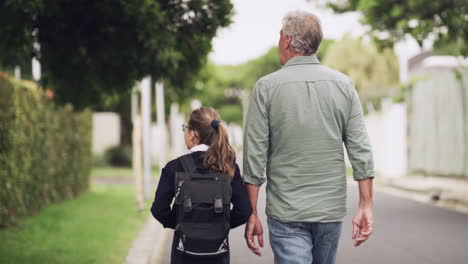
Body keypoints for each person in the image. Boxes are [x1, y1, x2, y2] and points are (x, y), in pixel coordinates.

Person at [242, 11, 375, 264]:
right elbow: (361, 150)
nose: (278, 42)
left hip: (286, 212)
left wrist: (251, 213)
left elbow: (254, 156)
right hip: (329, 211)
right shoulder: (344, 85)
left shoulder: (266, 88)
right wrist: (365, 205)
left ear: (288, 41)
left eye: (280, 36)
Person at [151, 106, 252, 264]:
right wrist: (220, 224)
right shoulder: (228, 167)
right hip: (218, 253)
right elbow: (244, 211)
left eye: (185, 128)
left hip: (183, 252)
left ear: (193, 134)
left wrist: (181, 223)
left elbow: (159, 210)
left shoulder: (174, 167)